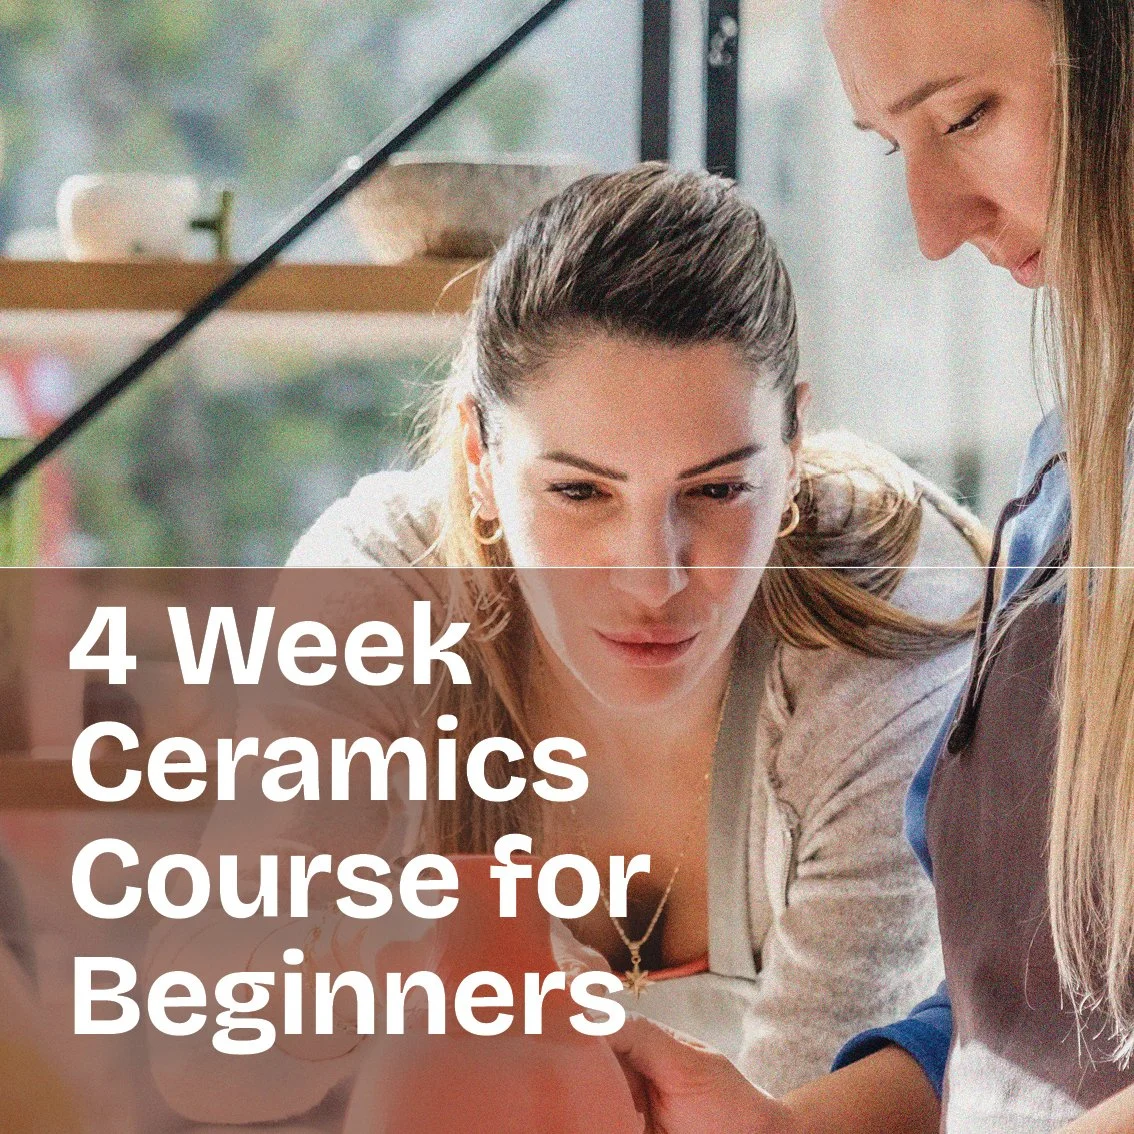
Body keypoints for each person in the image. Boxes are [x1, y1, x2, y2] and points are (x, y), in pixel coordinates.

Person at [148, 165, 985, 1125]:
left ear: (790, 447)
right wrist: (376, 950)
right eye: (580, 492)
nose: (651, 578)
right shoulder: (383, 588)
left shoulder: (882, 616)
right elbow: (203, 1061)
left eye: (717, 491)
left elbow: (800, 1102)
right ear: (479, 457)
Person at [610, 2, 1134, 1132]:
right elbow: (1027, 1017)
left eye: (968, 114)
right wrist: (786, 1128)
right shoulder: (1069, 483)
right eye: (896, 148)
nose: (933, 225)